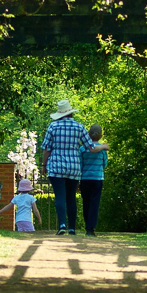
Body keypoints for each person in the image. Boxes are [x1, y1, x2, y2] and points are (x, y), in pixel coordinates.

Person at [41, 99, 109, 235]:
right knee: (71, 196)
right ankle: (72, 228)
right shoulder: (79, 127)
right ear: (71, 113)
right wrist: (103, 146)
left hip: (56, 166)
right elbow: (90, 147)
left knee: (60, 196)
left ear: (60, 114)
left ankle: (61, 225)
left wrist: (44, 165)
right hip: (74, 167)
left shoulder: (53, 127)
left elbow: (46, 149)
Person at [79, 124, 107, 237]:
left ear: (89, 135)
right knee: (95, 203)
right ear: (100, 136)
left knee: (86, 203)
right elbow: (105, 164)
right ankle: (91, 228)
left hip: (85, 179)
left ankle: (87, 226)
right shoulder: (102, 150)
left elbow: (80, 164)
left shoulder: (83, 149)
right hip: (97, 179)